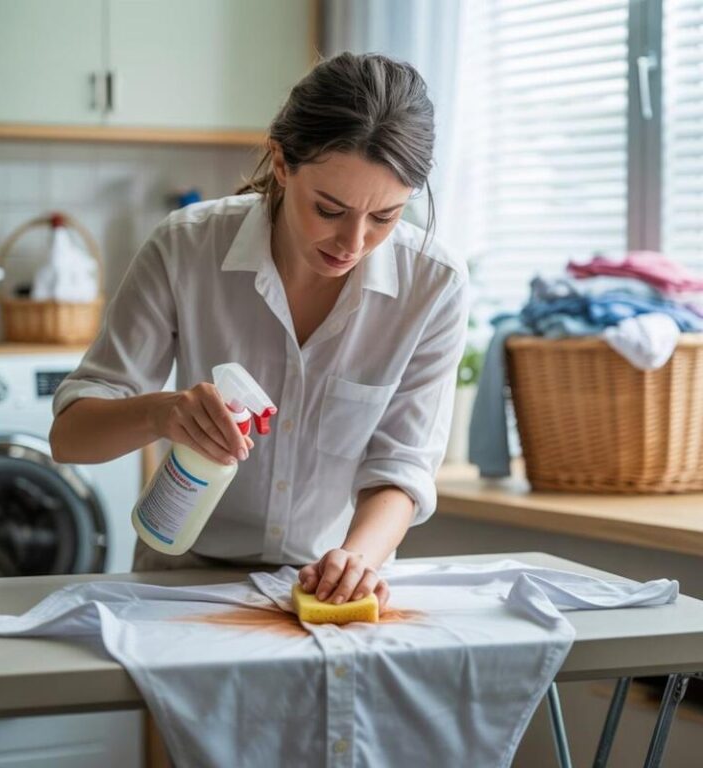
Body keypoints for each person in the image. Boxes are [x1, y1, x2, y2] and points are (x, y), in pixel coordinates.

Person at [49, 51, 468, 611]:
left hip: (328, 585)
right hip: (177, 587)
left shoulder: (433, 284)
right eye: (329, 208)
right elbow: (70, 437)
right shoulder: (186, 247)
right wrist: (161, 414)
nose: (352, 242)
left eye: (385, 218)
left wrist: (358, 561)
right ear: (281, 162)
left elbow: (402, 466)